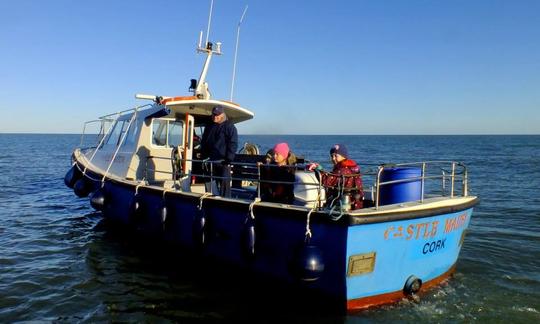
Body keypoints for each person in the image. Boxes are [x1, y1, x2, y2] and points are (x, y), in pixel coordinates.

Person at [200, 106, 238, 197]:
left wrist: (229, 159)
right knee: (209, 185)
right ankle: (210, 200)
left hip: (223, 162)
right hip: (210, 161)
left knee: (224, 186)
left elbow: (233, 143)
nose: (215, 116)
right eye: (213, 114)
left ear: (222, 114)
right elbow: (204, 141)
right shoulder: (209, 126)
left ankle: (225, 203)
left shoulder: (230, 127)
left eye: (217, 115)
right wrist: (204, 155)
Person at [314, 144, 363, 210]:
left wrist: (318, 170)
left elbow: (327, 181)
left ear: (343, 156)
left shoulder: (343, 170)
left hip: (345, 206)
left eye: (335, 156)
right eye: (331, 156)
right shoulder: (352, 167)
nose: (333, 158)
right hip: (356, 204)